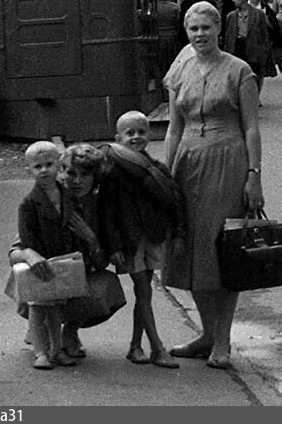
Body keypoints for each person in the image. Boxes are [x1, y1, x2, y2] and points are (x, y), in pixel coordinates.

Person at [161, 2, 265, 370]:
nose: (200, 34)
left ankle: (223, 341)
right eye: (193, 29)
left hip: (228, 162)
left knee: (225, 252)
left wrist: (254, 174)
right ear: (186, 32)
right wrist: (166, 175)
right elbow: (174, 127)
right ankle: (206, 335)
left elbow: (251, 127)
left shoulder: (240, 71)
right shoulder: (181, 71)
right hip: (188, 164)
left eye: (206, 27)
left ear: (219, 28)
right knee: (191, 251)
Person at [100, 111, 184, 369]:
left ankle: (136, 346)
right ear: (118, 138)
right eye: (130, 133)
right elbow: (107, 212)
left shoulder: (156, 169)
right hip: (129, 241)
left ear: (150, 135)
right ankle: (157, 348)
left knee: (143, 292)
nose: (136, 137)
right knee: (144, 291)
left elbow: (174, 203)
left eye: (141, 132)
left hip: (153, 237)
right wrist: (113, 246)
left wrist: (178, 233)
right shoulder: (112, 173)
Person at [14, 141, 78, 369]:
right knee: (38, 307)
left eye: (49, 164)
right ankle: (40, 352)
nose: (44, 170)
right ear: (29, 170)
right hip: (40, 262)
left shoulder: (67, 195)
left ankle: (57, 349)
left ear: (59, 164)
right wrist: (34, 256)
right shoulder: (29, 203)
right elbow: (26, 235)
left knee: (56, 309)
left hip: (62, 260)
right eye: (37, 166)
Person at [223, 0, 270, 93]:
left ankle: (253, 97)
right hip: (236, 48)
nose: (233, 0)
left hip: (252, 48)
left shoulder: (258, 14)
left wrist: (264, 53)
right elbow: (228, 36)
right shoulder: (231, 16)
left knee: (253, 75)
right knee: (236, 75)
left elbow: (264, 35)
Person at [155, 0, 181, 72]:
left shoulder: (155, 6)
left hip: (157, 37)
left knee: (159, 62)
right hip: (171, 37)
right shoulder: (175, 7)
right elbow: (178, 23)